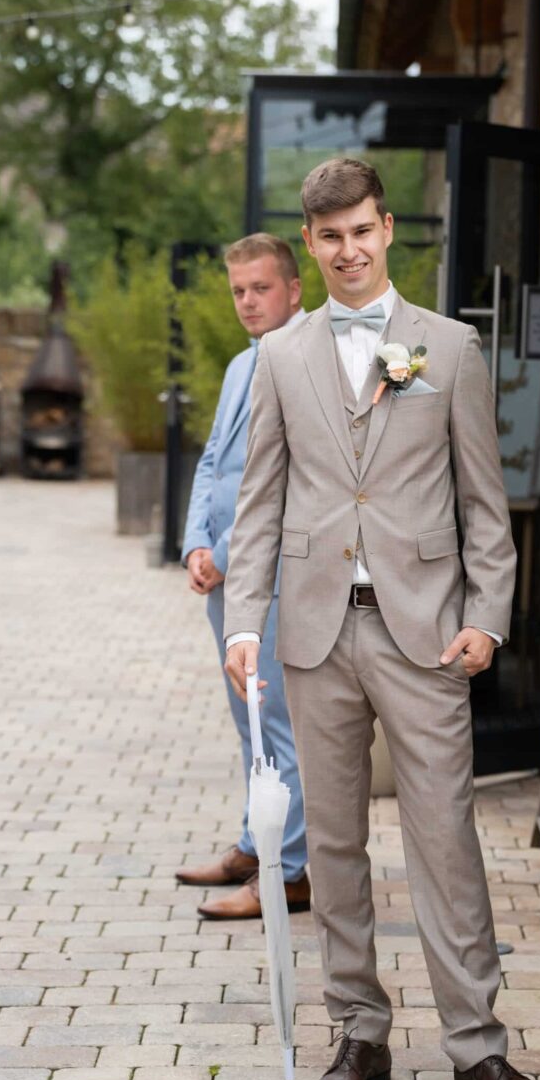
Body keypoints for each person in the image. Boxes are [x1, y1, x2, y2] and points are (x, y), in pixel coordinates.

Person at [222, 159, 540, 1080]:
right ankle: (358, 1033)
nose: (347, 250)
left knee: (445, 840)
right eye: (328, 237)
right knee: (332, 847)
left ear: (387, 227)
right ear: (312, 243)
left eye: (361, 230)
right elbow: (259, 505)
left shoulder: (447, 348)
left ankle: (477, 1054)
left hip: (425, 638)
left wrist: (488, 614)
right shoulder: (281, 355)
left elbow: (485, 504)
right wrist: (245, 621)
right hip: (315, 638)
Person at [176, 233, 310, 920]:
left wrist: (227, 552)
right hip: (224, 578)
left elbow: (280, 478)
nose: (249, 301)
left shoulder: (304, 363)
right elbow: (212, 463)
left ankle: (288, 874)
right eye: (238, 291)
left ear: (294, 289)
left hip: (275, 577)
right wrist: (195, 542)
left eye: (261, 288)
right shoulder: (238, 366)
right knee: (246, 722)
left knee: (279, 726)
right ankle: (254, 846)